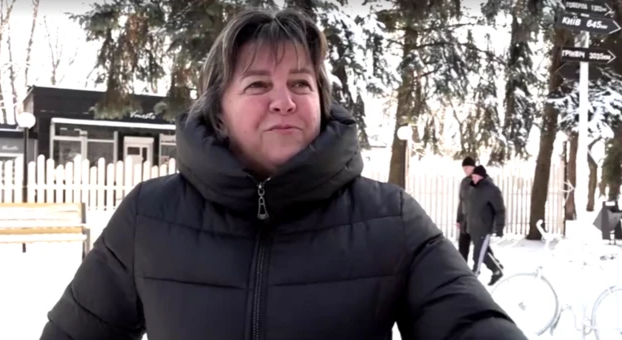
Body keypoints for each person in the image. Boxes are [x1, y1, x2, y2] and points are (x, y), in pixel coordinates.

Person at [39, 8, 526, 340]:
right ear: (219, 112)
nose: (284, 99)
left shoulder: (390, 218)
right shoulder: (149, 216)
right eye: (257, 84)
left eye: (300, 82)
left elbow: (471, 323)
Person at [466, 165, 506, 286]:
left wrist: (499, 228)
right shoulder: (473, 189)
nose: (473, 178)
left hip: (484, 228)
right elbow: (470, 208)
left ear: (482, 176)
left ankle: (474, 276)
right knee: (484, 252)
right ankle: (496, 269)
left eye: (476, 176)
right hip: (474, 227)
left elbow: (500, 210)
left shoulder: (492, 190)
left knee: (478, 254)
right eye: (473, 176)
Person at [455, 156, 475, 262]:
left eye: (467, 167)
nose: (465, 170)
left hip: (477, 222)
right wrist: (459, 219)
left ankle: (495, 267)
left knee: (482, 250)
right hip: (465, 221)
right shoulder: (464, 182)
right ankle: (462, 271)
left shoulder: (480, 180)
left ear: (473, 167)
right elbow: (461, 201)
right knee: (462, 247)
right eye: (464, 168)